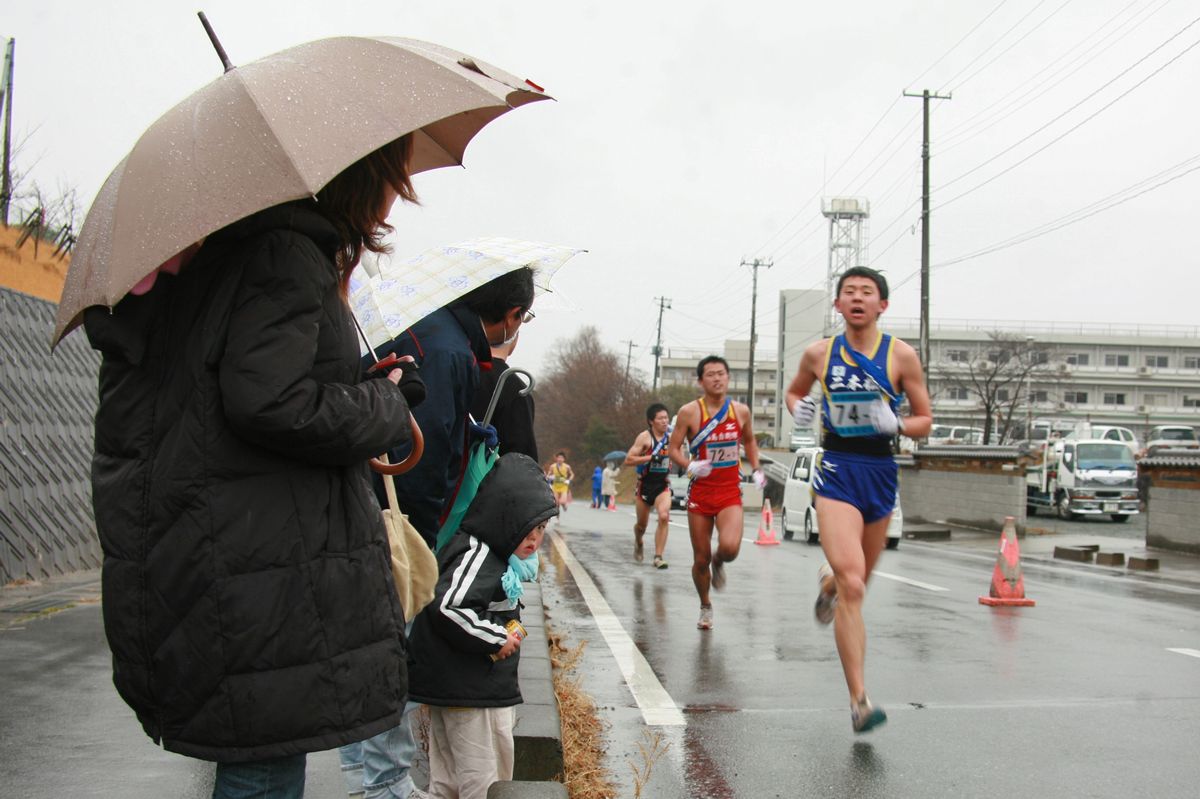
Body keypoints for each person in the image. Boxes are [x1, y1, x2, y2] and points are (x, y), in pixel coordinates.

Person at [84, 135, 424, 798]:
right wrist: (383, 403)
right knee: (264, 760)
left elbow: (241, 380)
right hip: (261, 558)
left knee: (255, 749)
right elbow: (269, 401)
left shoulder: (232, 250)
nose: (397, 194)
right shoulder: (285, 251)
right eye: (396, 174)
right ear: (368, 175)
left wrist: (353, 381)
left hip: (221, 542)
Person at [353, 268, 537, 797]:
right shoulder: (450, 353)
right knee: (393, 651)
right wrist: (426, 543)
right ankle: (382, 784)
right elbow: (423, 459)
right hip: (397, 524)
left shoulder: (430, 332)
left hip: (368, 510)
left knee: (378, 651)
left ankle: (375, 778)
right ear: (510, 316)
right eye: (522, 318)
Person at [784, 265, 931, 734]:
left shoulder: (902, 356)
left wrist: (899, 425)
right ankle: (859, 701)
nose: (858, 298)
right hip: (838, 469)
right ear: (839, 304)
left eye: (867, 292)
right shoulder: (818, 354)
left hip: (881, 473)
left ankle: (827, 584)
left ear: (882, 305)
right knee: (856, 585)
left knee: (853, 584)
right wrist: (800, 408)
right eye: (849, 291)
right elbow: (794, 394)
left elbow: (925, 418)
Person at [406, 453, 557, 799]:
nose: (534, 539)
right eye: (527, 527)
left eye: (541, 529)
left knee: (449, 779)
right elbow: (447, 606)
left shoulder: (497, 553)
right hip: (471, 691)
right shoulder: (479, 553)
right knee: (483, 778)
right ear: (503, 518)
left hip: (469, 687)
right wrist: (496, 636)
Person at [668, 356, 765, 630]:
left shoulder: (740, 411)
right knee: (700, 559)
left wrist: (756, 468)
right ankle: (705, 604)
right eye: (710, 374)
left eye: (721, 373)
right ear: (701, 381)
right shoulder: (689, 412)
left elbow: (749, 440)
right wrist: (690, 464)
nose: (717, 378)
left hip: (728, 492)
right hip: (700, 493)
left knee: (730, 548)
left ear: (728, 377)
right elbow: (672, 449)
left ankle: (719, 561)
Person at [469, 330, 538, 461]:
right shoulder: (516, 389)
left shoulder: (456, 371)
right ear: (515, 338)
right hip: (485, 478)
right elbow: (522, 461)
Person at [625, 403, 674, 568]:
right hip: (645, 486)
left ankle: (658, 557)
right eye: (660, 418)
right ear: (651, 421)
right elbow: (628, 459)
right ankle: (639, 541)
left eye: (666, 418)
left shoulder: (672, 437)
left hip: (662, 485)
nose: (664, 421)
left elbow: (680, 452)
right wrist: (650, 458)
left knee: (664, 516)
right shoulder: (644, 438)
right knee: (641, 526)